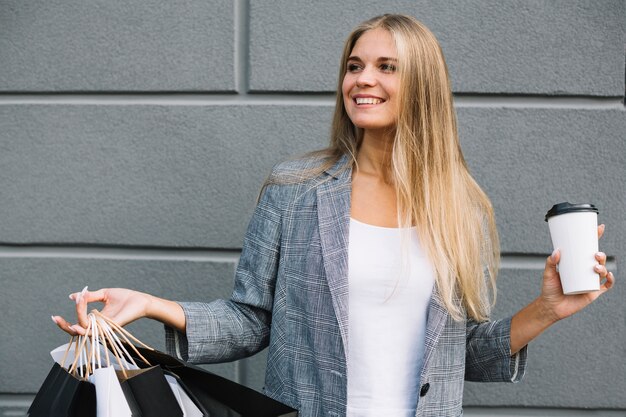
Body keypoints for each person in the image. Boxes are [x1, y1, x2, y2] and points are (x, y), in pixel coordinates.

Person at [52, 14, 614, 417]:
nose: (362, 79)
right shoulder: (294, 191)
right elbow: (251, 322)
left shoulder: (458, 208)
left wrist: (546, 309)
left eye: (386, 67)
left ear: (422, 85)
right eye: (354, 65)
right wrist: (152, 306)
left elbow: (455, 353)